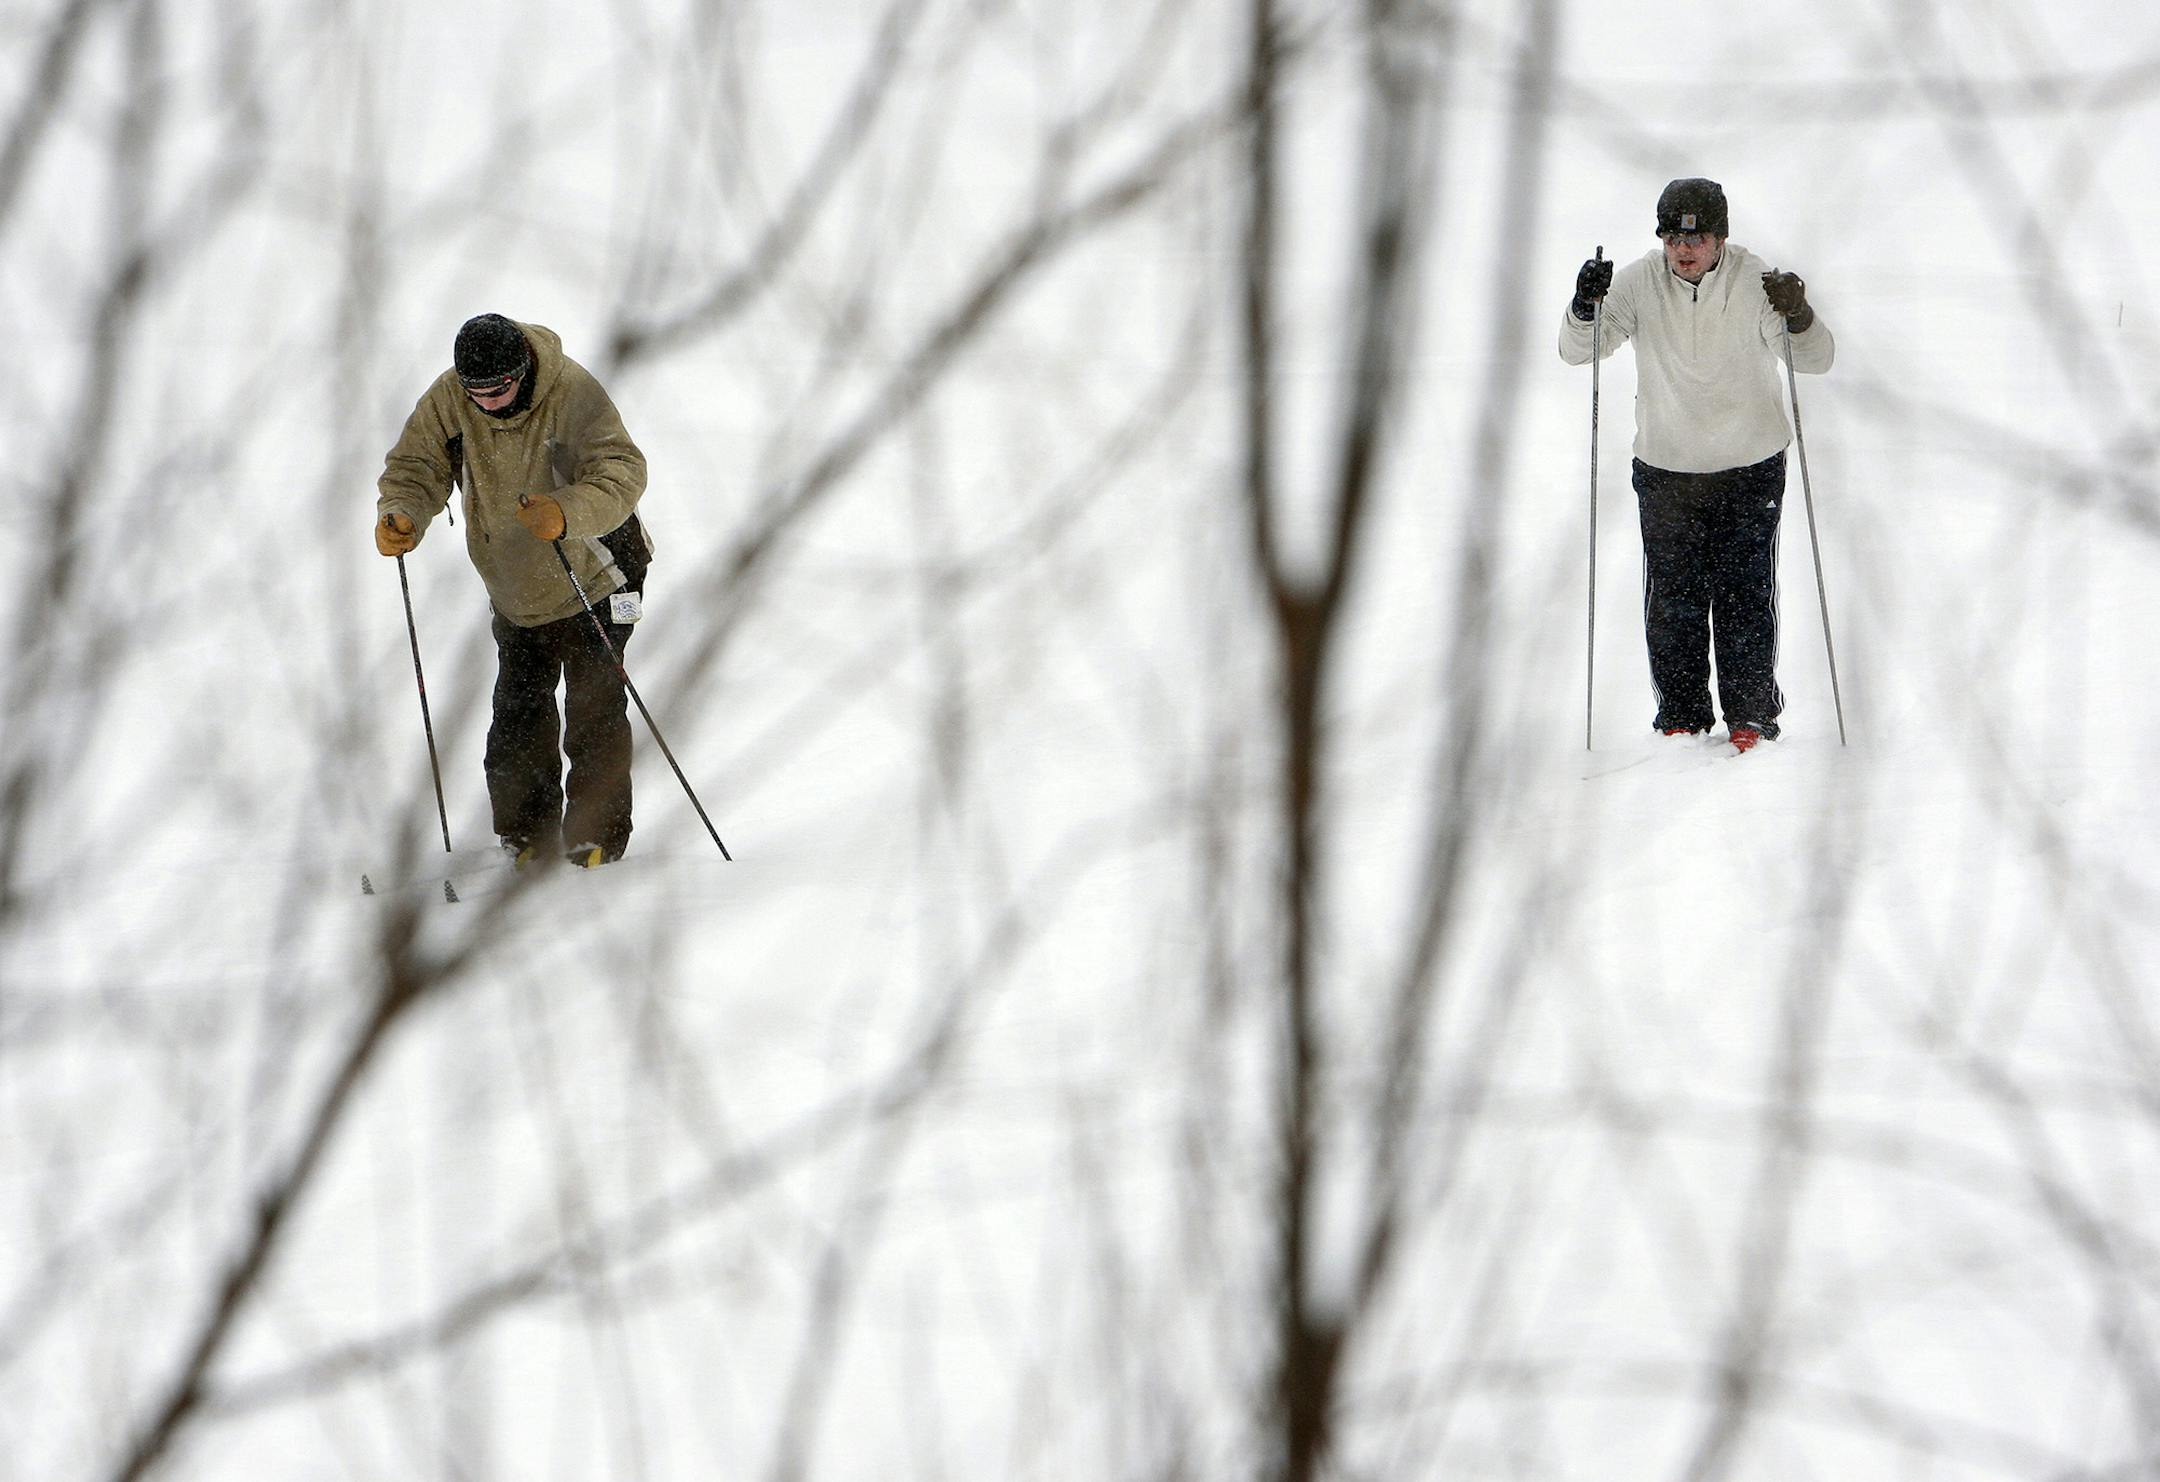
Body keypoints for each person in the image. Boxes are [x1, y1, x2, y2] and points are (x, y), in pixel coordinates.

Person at [1560, 178, 1833, 752]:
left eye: (1698, 236)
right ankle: (1681, 718)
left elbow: (1814, 360)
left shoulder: (1756, 283)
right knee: (1674, 600)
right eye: (1672, 236)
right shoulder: (1637, 284)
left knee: (1745, 593)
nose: (1684, 249)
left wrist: (1799, 314)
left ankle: (1752, 716)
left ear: (1721, 240)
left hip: (1749, 465)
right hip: (1667, 467)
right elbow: (1578, 350)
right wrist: (1586, 305)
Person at [376, 314, 653, 866]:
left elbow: (623, 470)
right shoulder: (451, 398)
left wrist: (567, 509)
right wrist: (401, 512)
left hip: (596, 574)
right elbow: (415, 466)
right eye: (476, 392)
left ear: (522, 370)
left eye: (498, 389)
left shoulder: (572, 392)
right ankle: (526, 835)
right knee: (518, 715)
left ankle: (596, 834)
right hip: (517, 589)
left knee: (592, 708)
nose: (487, 402)